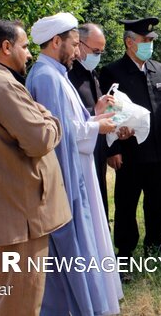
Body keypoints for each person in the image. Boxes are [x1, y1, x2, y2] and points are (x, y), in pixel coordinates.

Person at [0, 20, 71, 315]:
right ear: (6, 47)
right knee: (20, 302)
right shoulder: (4, 87)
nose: (29, 54)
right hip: (20, 220)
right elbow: (40, 139)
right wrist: (51, 118)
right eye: (25, 46)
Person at [26, 12, 123, 316]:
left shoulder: (56, 74)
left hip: (79, 168)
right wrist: (97, 127)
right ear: (56, 42)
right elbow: (61, 135)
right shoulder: (45, 77)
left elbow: (72, 124)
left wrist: (95, 119)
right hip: (69, 175)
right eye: (74, 44)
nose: (79, 51)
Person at [99, 17, 161, 262]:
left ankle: (155, 245)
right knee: (127, 204)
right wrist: (112, 149)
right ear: (129, 42)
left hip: (157, 149)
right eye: (145, 40)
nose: (149, 44)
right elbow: (106, 113)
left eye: (151, 40)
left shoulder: (158, 69)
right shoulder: (112, 72)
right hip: (129, 152)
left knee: (158, 202)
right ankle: (124, 253)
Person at [68, 23, 111, 220]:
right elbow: (68, 116)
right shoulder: (67, 75)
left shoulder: (92, 72)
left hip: (98, 149)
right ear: (80, 44)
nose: (98, 56)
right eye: (95, 51)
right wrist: (95, 111)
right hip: (78, 153)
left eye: (101, 52)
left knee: (100, 201)